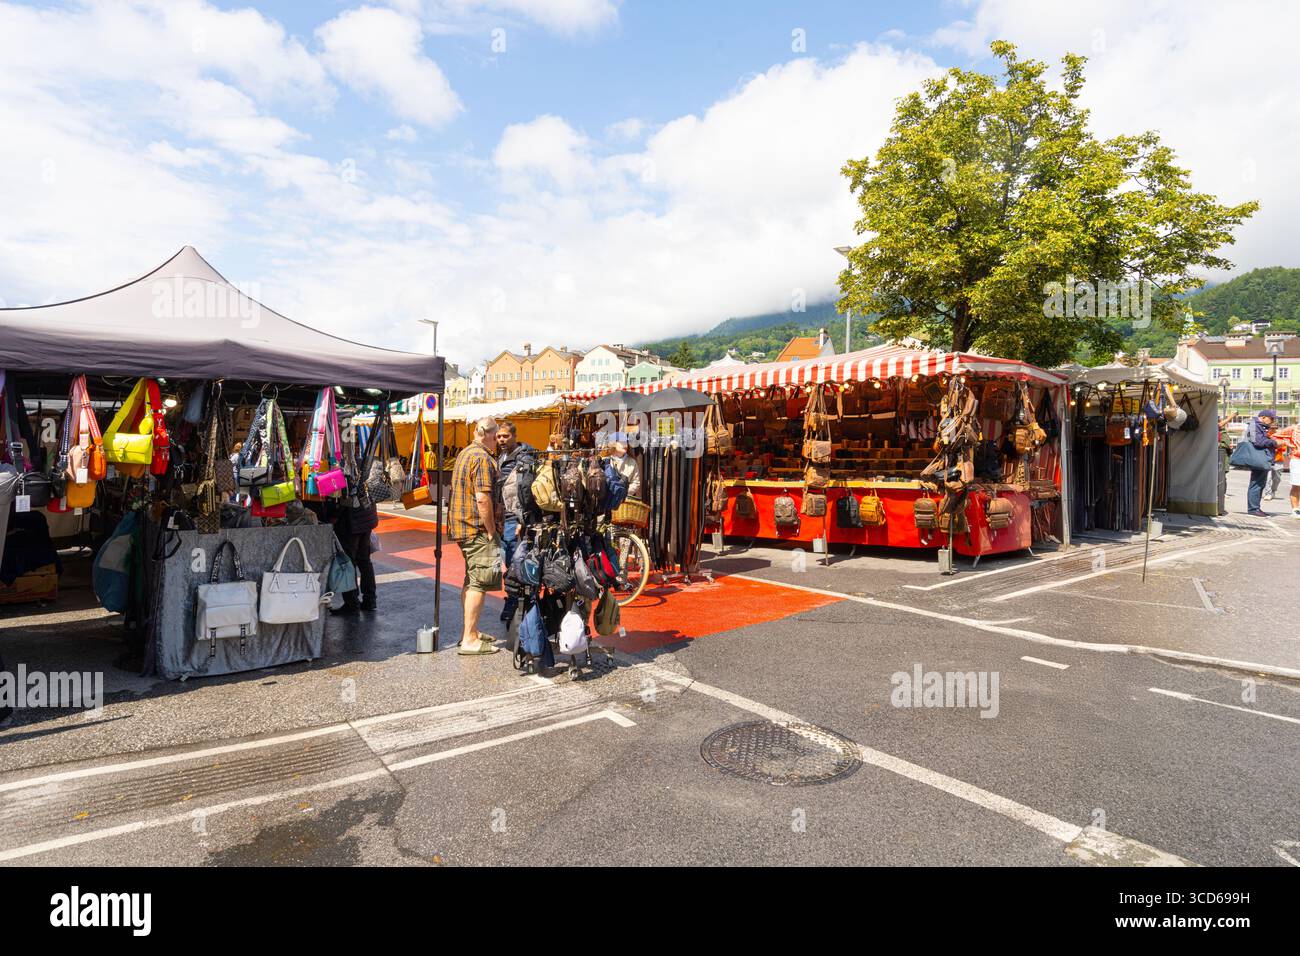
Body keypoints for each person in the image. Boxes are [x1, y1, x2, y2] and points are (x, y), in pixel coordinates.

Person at [448, 417, 501, 655]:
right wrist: (491, 530)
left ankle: (471, 631)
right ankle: (469, 638)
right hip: (475, 527)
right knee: (479, 580)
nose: (498, 441)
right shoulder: (481, 458)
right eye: (497, 436)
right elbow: (482, 498)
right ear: (487, 434)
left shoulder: (466, 453)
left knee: (472, 579)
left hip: (462, 525)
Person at [495, 420, 536, 626]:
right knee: (505, 557)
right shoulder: (501, 456)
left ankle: (513, 600)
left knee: (512, 559)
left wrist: (523, 518)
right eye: (499, 436)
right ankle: (514, 597)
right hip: (502, 516)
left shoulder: (523, 458)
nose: (501, 440)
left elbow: (526, 490)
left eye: (505, 436)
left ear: (514, 435)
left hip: (514, 517)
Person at [331, 495, 378, 614]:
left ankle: (351, 603)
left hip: (351, 520)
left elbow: (345, 496)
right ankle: (370, 599)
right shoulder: (365, 474)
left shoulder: (348, 475)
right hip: (367, 514)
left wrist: (334, 516)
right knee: (364, 560)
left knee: (348, 563)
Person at [1243, 410, 1278, 517]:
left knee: (1260, 483)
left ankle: (1255, 508)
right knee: (1257, 483)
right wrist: (1275, 442)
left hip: (1261, 458)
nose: (1272, 421)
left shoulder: (1259, 426)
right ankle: (1253, 509)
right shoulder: (1255, 425)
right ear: (1263, 417)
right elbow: (1258, 442)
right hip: (1258, 458)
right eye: (1271, 419)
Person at [1272, 423, 1300, 517]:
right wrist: (1285, 443)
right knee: (1297, 485)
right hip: (1297, 460)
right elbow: (1275, 436)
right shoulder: (1293, 429)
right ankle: (1295, 510)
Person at [1217, 414, 1234, 516]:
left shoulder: (1223, 432)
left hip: (1223, 458)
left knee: (1222, 478)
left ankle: (1222, 494)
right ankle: (1221, 496)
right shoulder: (1220, 431)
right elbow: (1225, 444)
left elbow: (1227, 445)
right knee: (1221, 478)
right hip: (1221, 458)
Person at [1265, 423, 1285, 500]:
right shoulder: (1265, 436)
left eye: (1274, 428)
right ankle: (1268, 493)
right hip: (1268, 460)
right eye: (1271, 428)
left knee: (1277, 479)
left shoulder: (1280, 436)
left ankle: (1273, 491)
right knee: (1268, 478)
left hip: (1278, 459)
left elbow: (1283, 447)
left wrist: (1275, 447)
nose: (1273, 429)